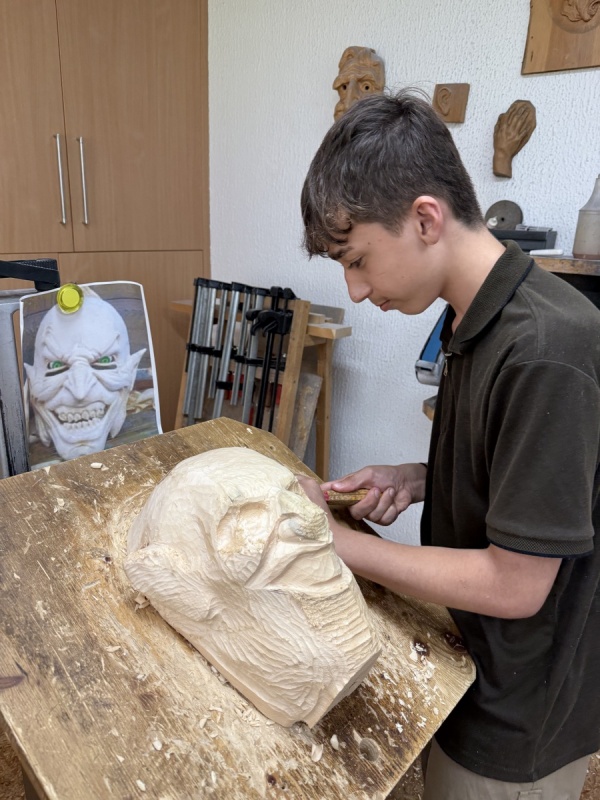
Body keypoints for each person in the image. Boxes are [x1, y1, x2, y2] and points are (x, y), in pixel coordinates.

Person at [297, 90, 600, 799]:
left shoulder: (546, 347)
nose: (355, 289)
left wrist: (337, 545)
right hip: (466, 664)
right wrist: (417, 477)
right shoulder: (471, 317)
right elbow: (522, 466)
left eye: (357, 259)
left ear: (426, 219)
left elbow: (516, 584)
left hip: (518, 715)